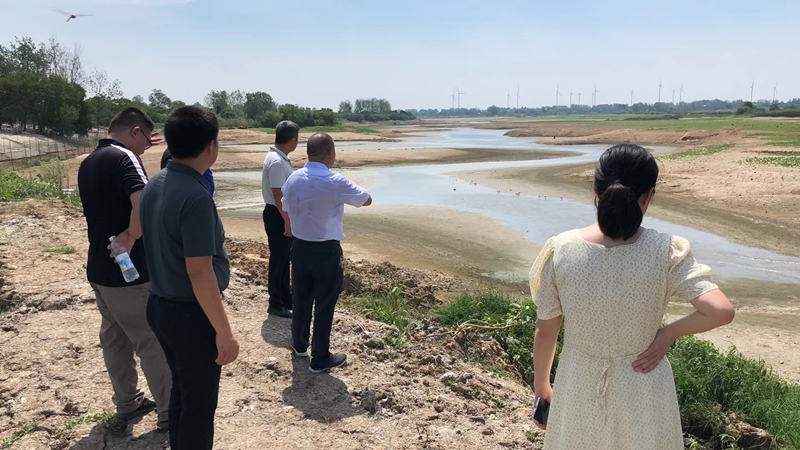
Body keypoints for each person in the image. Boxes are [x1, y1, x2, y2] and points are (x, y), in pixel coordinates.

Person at [529, 144, 735, 449]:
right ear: (648, 196)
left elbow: (546, 330)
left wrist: (542, 387)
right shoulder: (665, 251)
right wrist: (667, 335)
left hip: (578, 383)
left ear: (596, 191)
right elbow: (721, 311)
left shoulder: (561, 250)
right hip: (644, 382)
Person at [140, 105, 239, 450]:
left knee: (182, 391)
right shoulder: (196, 197)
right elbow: (200, 273)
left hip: (160, 305)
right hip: (189, 315)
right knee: (199, 407)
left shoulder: (157, 182)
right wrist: (224, 333)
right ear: (211, 146)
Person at [77, 107, 172, 430]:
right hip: (128, 270)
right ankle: (170, 411)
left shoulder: (90, 161)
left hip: (99, 267)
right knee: (150, 339)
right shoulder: (124, 158)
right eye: (145, 139)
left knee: (115, 338)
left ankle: (127, 403)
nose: (146, 147)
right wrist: (132, 236)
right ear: (134, 132)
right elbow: (144, 202)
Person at [281, 132, 372, 373]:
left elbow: (286, 206)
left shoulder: (293, 179)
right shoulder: (334, 181)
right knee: (324, 304)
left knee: (301, 298)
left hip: (299, 247)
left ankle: (299, 343)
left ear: (308, 153)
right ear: (330, 153)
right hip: (325, 250)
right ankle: (320, 357)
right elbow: (366, 199)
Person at [261, 120, 299, 319]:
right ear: (292, 140)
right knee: (279, 259)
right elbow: (278, 195)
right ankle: (276, 302)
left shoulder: (279, 158)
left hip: (279, 212)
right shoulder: (276, 161)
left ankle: (285, 298)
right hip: (277, 213)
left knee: (284, 258)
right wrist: (287, 220)